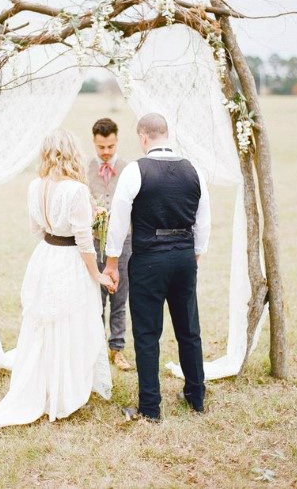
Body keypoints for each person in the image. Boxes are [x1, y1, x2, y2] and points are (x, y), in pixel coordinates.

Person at [0, 129, 113, 434]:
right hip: (69, 261)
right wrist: (97, 274)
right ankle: (64, 394)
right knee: (70, 322)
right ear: (72, 154)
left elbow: (35, 230)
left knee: (44, 324)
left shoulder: (34, 186)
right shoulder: (76, 191)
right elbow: (83, 240)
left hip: (45, 257)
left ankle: (48, 387)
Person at [104, 113, 211, 421]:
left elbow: (118, 220)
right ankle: (196, 397)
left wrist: (112, 262)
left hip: (149, 259)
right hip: (183, 258)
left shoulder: (135, 170)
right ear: (166, 134)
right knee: (189, 329)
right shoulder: (194, 171)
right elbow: (203, 220)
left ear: (143, 137)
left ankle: (150, 407)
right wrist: (195, 255)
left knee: (148, 333)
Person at [88, 118, 133, 372]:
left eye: (111, 147)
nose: (106, 152)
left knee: (119, 296)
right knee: (96, 298)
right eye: (101, 147)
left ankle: (117, 348)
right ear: (94, 142)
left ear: (117, 141)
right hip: (93, 244)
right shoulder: (85, 169)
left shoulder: (129, 169)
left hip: (124, 243)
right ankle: (95, 349)